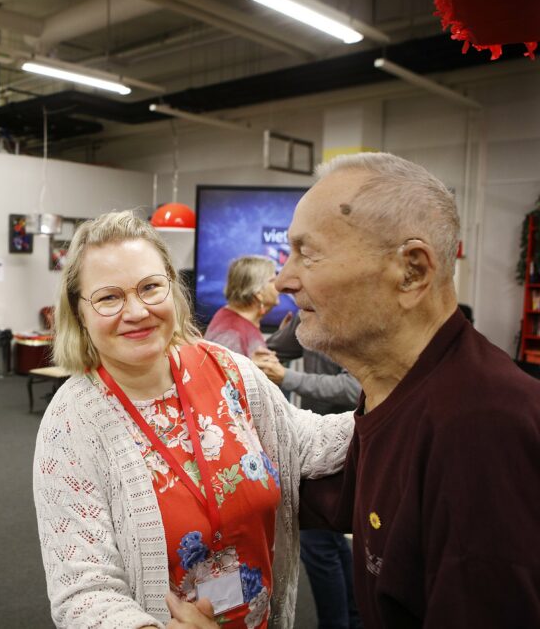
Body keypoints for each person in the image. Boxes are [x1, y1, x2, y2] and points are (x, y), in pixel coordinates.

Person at [33, 211, 353, 629]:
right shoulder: (72, 422)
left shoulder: (226, 369)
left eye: (150, 288)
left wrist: (403, 403)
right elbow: (84, 591)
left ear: (173, 290)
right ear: (79, 314)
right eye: (109, 297)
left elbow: (303, 441)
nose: (136, 311)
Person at [282, 153, 540, 627]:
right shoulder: (396, 387)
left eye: (308, 253)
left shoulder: (480, 427)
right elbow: (354, 505)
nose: (284, 279)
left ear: (412, 271)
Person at [253, 313, 362, 629]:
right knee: (331, 542)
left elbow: (353, 387)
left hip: (341, 441)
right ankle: (352, 619)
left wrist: (287, 377)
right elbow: (279, 347)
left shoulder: (348, 318)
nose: (285, 280)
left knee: (319, 546)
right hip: (318, 441)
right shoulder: (307, 312)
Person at [203, 255, 280, 358]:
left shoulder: (236, 320)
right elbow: (221, 372)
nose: (278, 285)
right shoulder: (231, 334)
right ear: (258, 293)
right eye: (272, 280)